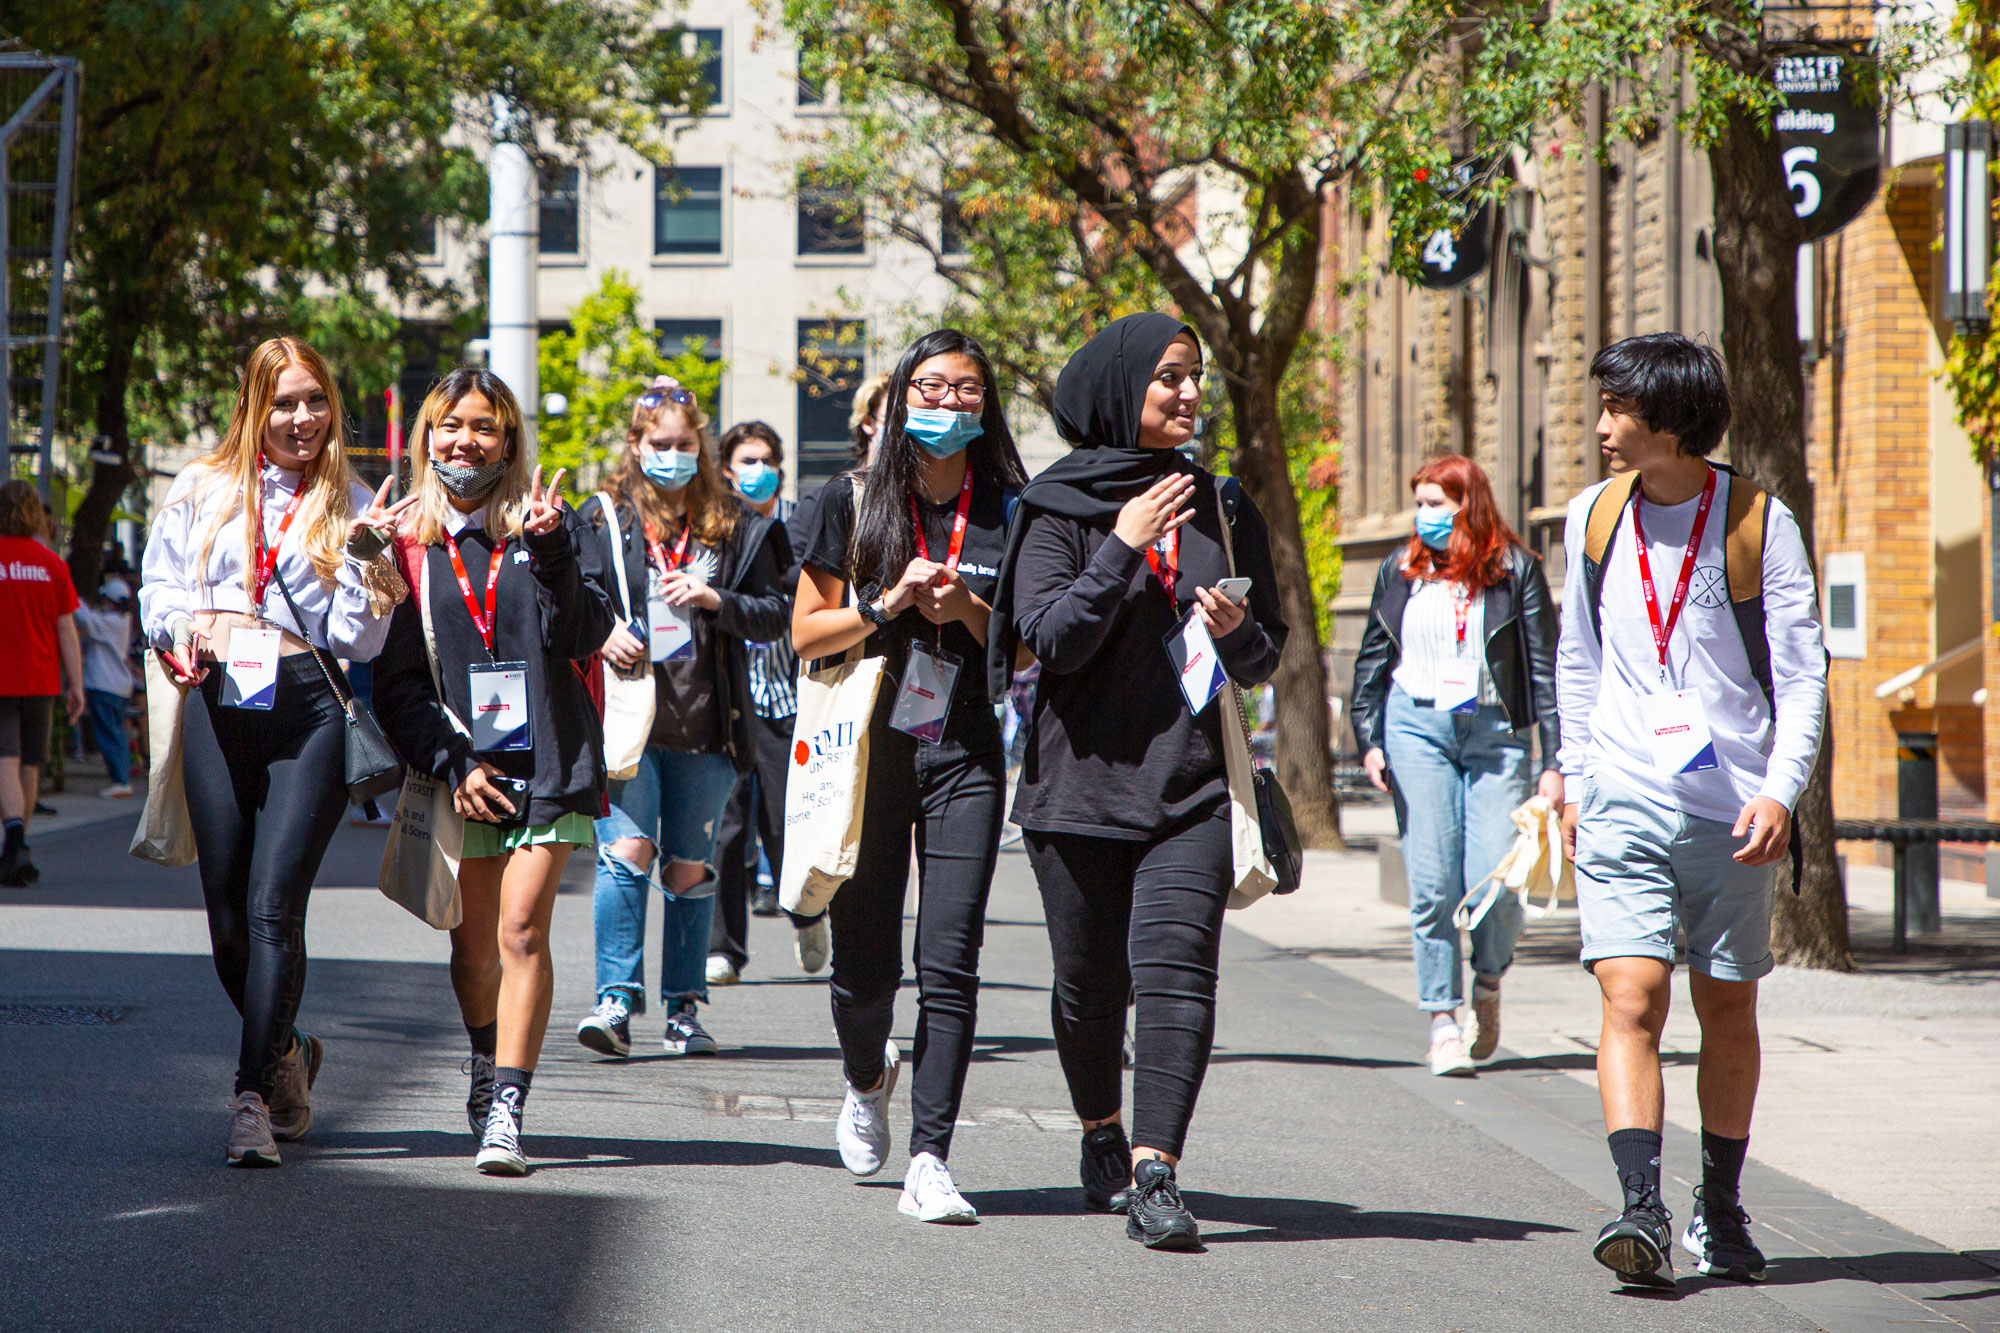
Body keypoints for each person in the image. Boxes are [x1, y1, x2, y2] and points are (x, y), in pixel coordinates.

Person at [986, 313, 1287, 1250]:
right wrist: (1120, 544)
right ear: (1122, 389)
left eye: (1195, 377)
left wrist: (1237, 631)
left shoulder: (1225, 503)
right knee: (1087, 986)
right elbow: (1052, 639)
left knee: (1175, 975)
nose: (1189, 393)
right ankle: (1100, 1132)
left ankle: (1157, 1168)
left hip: (1190, 786)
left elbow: (1261, 656)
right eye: (1169, 378)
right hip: (1077, 790)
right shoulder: (1055, 505)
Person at [1556, 334, 1825, 1288]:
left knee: (1726, 1006)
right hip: (1625, 792)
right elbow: (1579, 662)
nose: (1600, 427)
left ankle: (1719, 1202)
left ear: (1670, 420)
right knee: (1632, 995)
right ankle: (1641, 1209)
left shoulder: (1758, 521)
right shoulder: (1592, 517)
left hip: (1731, 808)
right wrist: (1576, 778)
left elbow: (1801, 677)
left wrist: (1779, 791)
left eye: (1617, 410)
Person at [138, 336, 406, 1166]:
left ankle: (250, 1096)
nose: (302, 418)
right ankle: (289, 1051)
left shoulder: (353, 500)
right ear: (255, 406)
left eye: (316, 401)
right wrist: (186, 627)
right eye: (285, 402)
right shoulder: (200, 487)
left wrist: (365, 559)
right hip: (220, 705)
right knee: (226, 922)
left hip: (310, 711)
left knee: (272, 908)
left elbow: (360, 640)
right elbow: (159, 590)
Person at [792, 328, 1028, 1223]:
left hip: (964, 750)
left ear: (986, 403)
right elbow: (806, 634)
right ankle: (866, 1075)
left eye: (967, 389)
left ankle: (932, 1156)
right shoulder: (847, 500)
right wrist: (884, 604)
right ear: (900, 399)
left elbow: (1028, 643)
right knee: (864, 968)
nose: (947, 403)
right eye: (930, 387)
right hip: (866, 752)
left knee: (951, 959)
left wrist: (964, 604)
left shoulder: (1013, 509)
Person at [373, 367, 615, 1176]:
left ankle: (508, 1103)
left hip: (549, 759)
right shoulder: (409, 540)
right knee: (471, 951)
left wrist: (550, 550)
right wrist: (452, 762)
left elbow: (584, 635)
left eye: (482, 426)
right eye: (449, 426)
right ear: (426, 437)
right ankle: (486, 1061)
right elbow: (398, 684)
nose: (464, 441)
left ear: (508, 440)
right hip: (461, 766)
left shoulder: (552, 523)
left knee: (520, 930)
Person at [572, 381, 790, 1061]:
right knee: (626, 855)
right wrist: (604, 631)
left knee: (689, 869)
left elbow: (779, 609)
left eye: (683, 443)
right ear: (634, 447)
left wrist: (715, 596)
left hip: (707, 724)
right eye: (657, 444)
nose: (671, 455)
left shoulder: (741, 526)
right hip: (629, 724)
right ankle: (614, 999)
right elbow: (569, 599)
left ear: (702, 445)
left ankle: (684, 1008)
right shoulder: (604, 517)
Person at [1348, 455, 1562, 1076]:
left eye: (1436, 504)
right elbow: (1372, 660)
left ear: (1469, 504)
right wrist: (1369, 737)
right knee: (1434, 883)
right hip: (1416, 728)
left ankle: (1488, 980)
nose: (1424, 518)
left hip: (1496, 733)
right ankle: (1443, 1022)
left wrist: (1555, 761)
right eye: (1419, 504)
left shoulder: (1515, 570)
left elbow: (1543, 670)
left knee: (1496, 882)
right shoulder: (1401, 569)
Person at [706, 419, 811, 980]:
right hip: (730, 695)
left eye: (766, 458)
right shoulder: (715, 527)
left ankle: (807, 912)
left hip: (792, 695)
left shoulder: (799, 522)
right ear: (726, 467)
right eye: (746, 459)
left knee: (788, 821)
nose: (758, 469)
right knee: (727, 825)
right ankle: (724, 947)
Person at [0, 481, 84, 885]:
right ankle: (19, 845)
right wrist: (77, 686)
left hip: (2, 679)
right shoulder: (52, 564)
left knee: (5, 760)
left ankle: (13, 839)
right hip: (42, 678)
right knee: (30, 764)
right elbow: (66, 629)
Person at [76, 577, 139, 798]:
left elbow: (84, 618)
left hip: (105, 686)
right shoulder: (122, 620)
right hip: (118, 687)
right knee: (117, 733)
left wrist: (70, 594)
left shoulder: (110, 622)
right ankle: (122, 778)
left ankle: (120, 780)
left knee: (110, 735)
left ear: (109, 600)